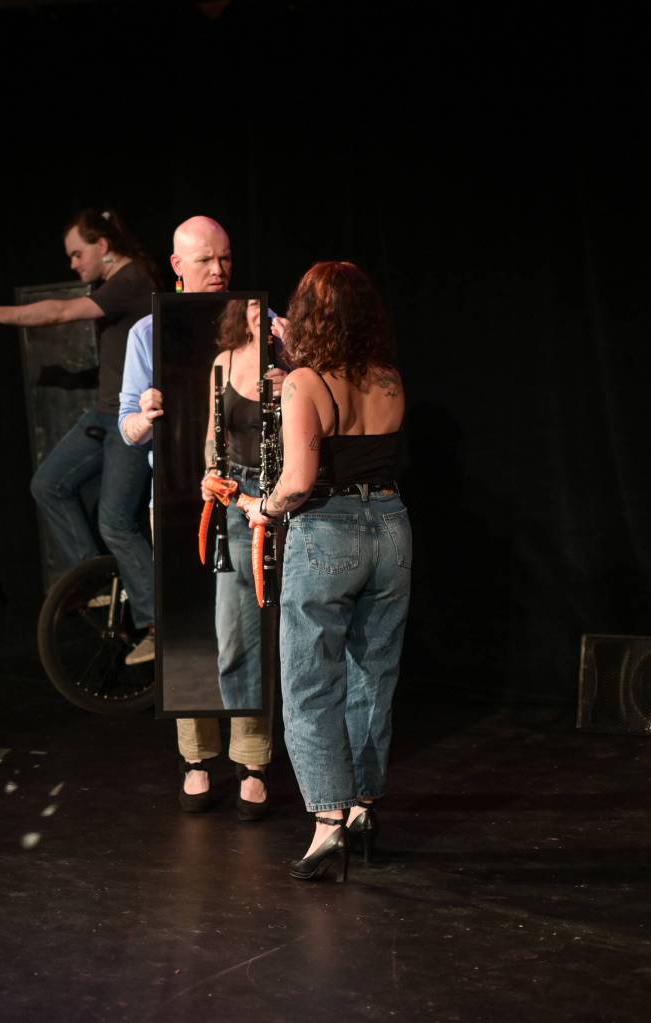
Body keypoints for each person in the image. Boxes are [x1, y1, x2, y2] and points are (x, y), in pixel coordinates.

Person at [239, 261, 411, 883]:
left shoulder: (304, 383)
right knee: (373, 676)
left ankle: (327, 823)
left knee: (310, 682)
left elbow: (297, 482)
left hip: (327, 530)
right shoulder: (388, 378)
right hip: (391, 527)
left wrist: (259, 507)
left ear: (310, 317)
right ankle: (362, 808)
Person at [119, 215, 284, 821]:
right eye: (206, 260)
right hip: (178, 500)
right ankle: (195, 759)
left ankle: (252, 761)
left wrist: (290, 370)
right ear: (178, 266)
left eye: (226, 258)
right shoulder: (147, 332)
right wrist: (145, 415)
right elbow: (127, 428)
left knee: (246, 628)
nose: (219, 270)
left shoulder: (264, 322)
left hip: (251, 498)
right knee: (183, 627)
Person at [0, 209, 161, 663]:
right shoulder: (114, 285)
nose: (73, 263)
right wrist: (72, 379)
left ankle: (156, 623)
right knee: (48, 484)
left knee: (115, 521)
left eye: (78, 254)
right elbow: (118, 360)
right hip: (104, 412)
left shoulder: (133, 278)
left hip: (131, 419)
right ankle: (95, 579)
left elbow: (61, 312)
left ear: (103, 245)